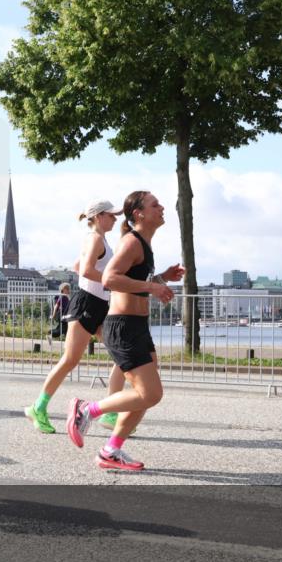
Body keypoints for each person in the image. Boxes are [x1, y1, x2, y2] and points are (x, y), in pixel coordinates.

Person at [66, 191, 184, 471]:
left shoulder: (143, 243)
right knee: (151, 394)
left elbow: (132, 279)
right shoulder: (132, 242)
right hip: (124, 327)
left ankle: (111, 451)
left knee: (144, 393)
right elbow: (110, 278)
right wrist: (153, 287)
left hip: (138, 327)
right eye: (155, 205)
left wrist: (161, 278)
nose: (162, 207)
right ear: (139, 214)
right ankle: (87, 410)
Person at [25, 201, 125, 434]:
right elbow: (88, 269)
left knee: (121, 355)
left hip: (98, 304)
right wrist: (111, 280)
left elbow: (78, 266)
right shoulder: (95, 239)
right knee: (70, 360)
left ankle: (110, 413)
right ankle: (37, 408)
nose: (116, 219)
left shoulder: (99, 239)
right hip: (87, 304)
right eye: (112, 215)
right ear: (100, 216)